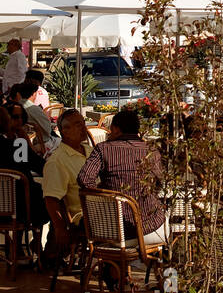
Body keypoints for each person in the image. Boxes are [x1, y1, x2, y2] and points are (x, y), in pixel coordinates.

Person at [77, 107, 167, 247]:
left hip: (114, 230)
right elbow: (159, 183)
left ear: (117, 129)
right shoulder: (152, 150)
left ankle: (110, 266)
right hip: (151, 229)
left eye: (111, 129)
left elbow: (84, 180)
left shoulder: (103, 149)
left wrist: (104, 195)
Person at [43, 109, 91, 261]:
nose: (83, 128)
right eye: (78, 125)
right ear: (64, 131)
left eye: (83, 123)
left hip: (102, 208)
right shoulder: (57, 161)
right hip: (84, 217)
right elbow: (51, 198)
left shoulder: (90, 151)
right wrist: (59, 227)